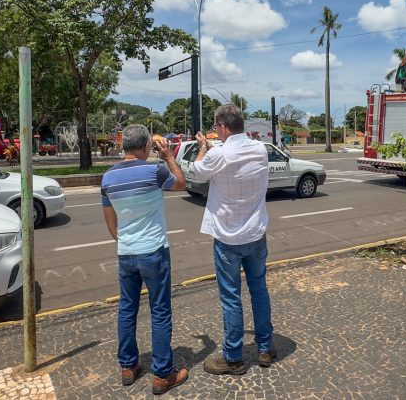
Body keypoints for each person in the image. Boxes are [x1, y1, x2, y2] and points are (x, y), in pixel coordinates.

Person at [100, 124, 189, 395]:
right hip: (154, 251)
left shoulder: (108, 177)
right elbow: (182, 184)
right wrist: (170, 158)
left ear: (123, 145)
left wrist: (124, 240)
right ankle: (163, 374)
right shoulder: (155, 170)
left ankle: (128, 366)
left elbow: (110, 219)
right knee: (160, 311)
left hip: (126, 252)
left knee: (127, 309)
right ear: (146, 147)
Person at [192, 104, 276, 375]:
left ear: (224, 127)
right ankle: (265, 347)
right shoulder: (260, 148)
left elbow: (198, 172)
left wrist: (204, 146)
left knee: (231, 297)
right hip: (255, 233)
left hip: (228, 238)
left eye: (216, 127)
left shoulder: (218, 153)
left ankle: (233, 357)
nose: (215, 132)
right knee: (259, 290)